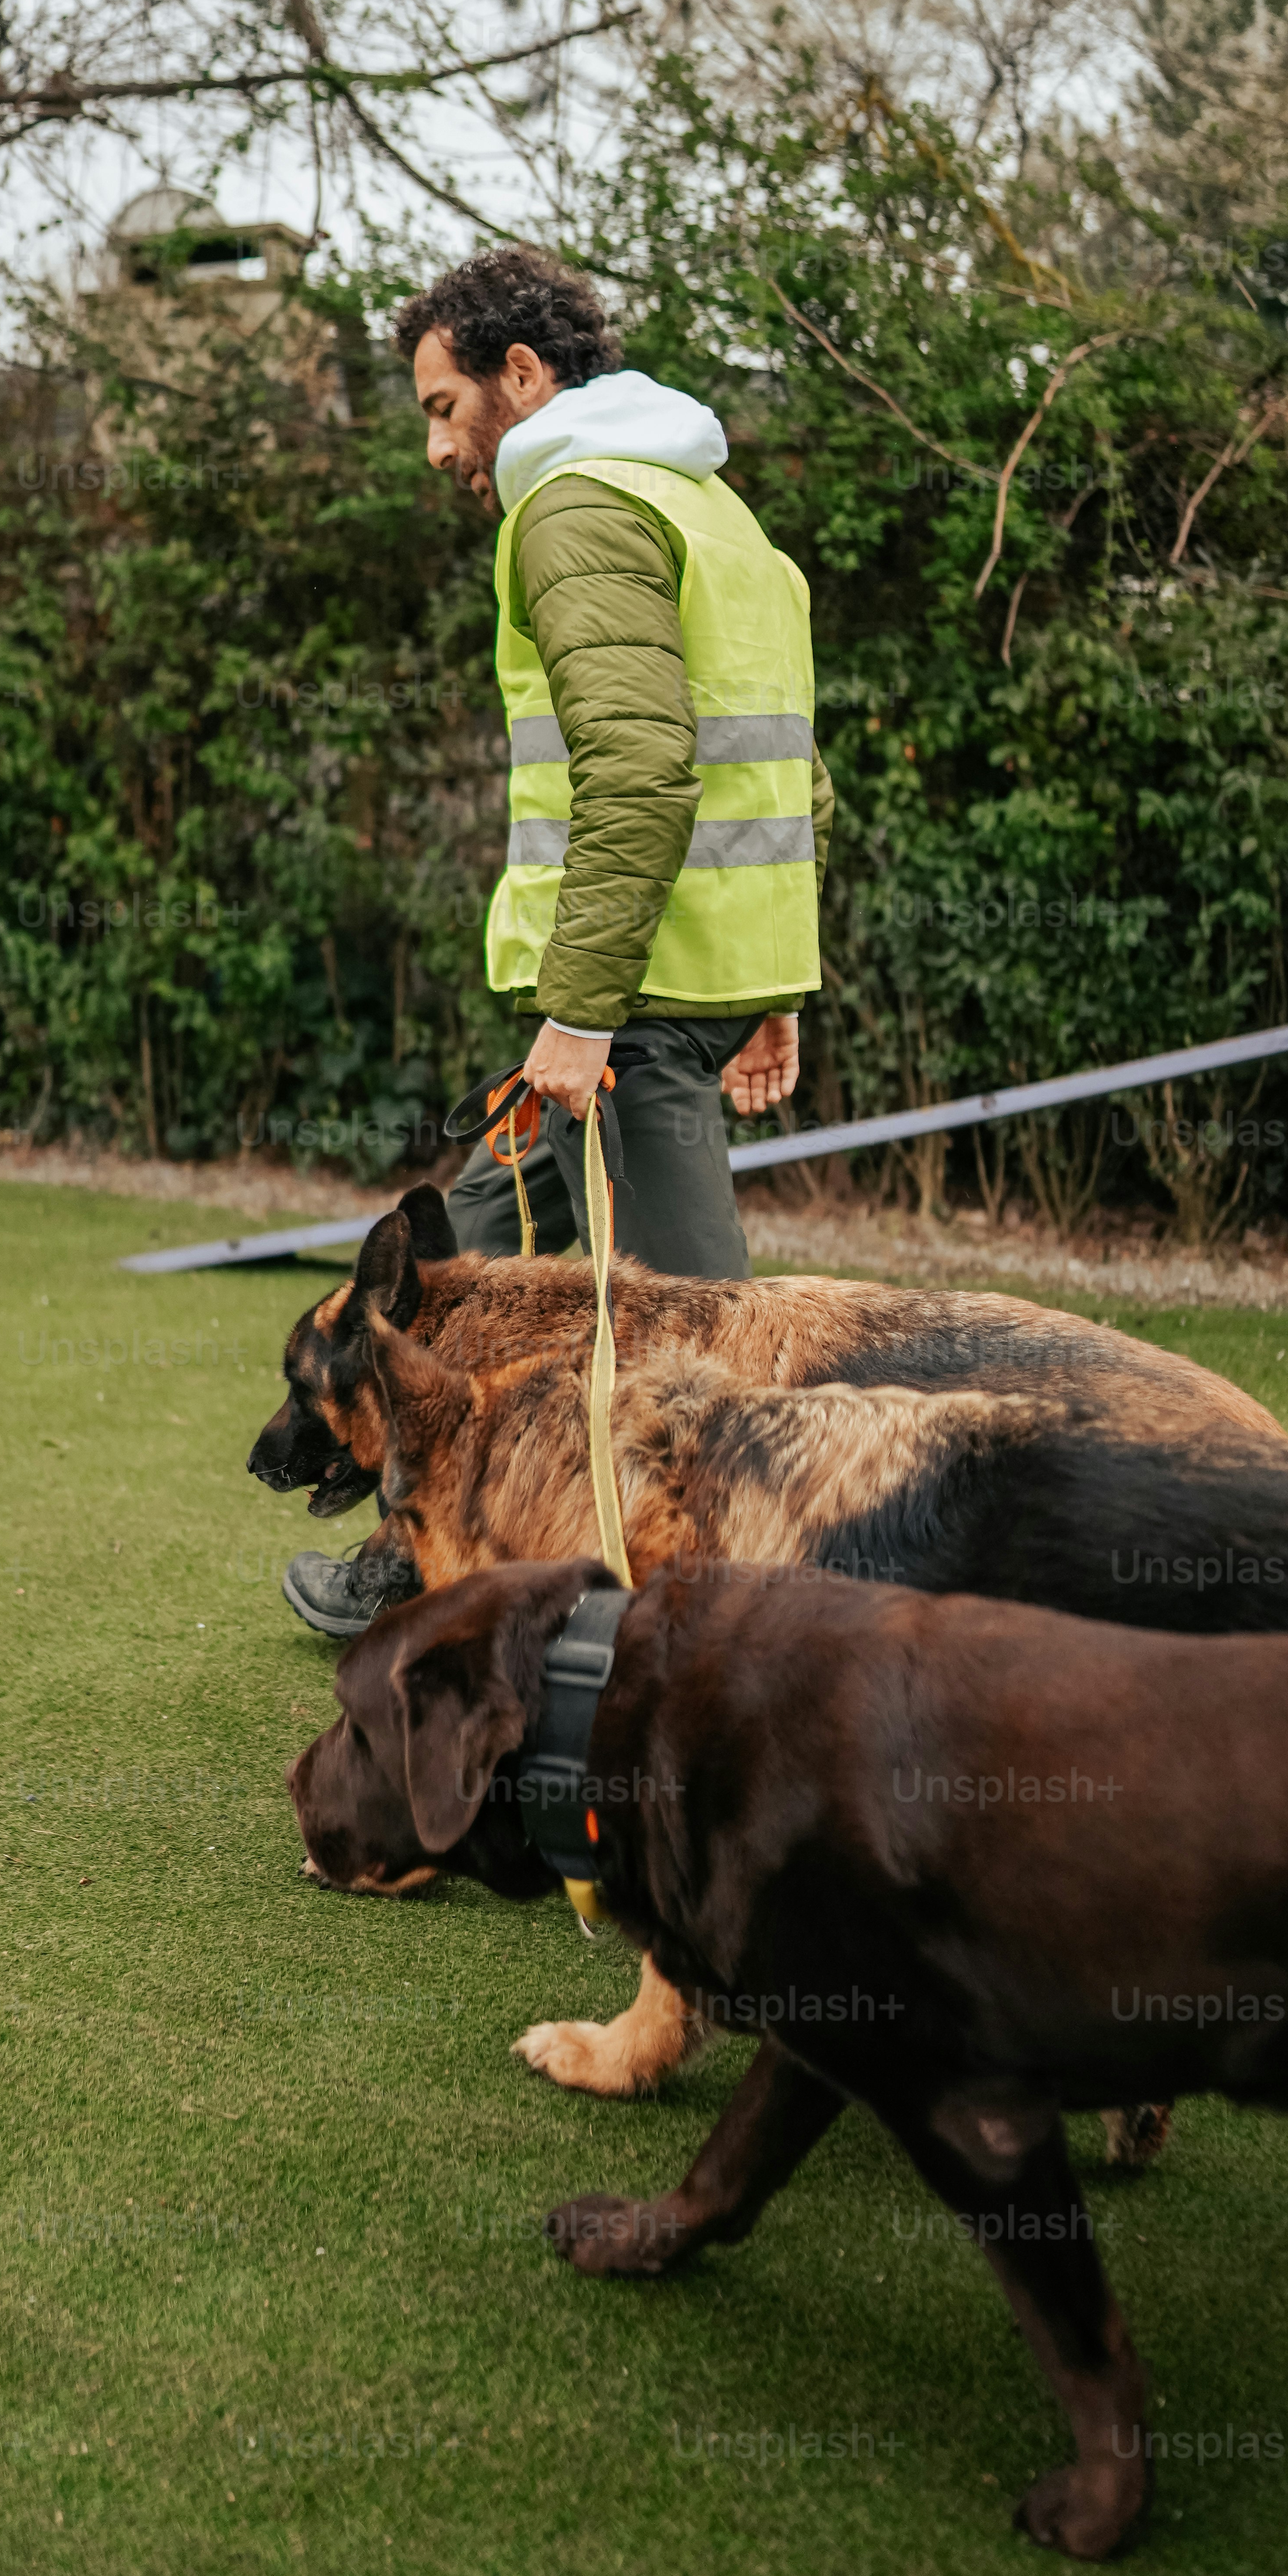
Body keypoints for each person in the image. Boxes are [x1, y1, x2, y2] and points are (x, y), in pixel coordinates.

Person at [280, 247, 834, 1636]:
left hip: (627, 1007)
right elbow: (791, 773)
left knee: (702, 1365)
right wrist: (765, 991)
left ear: (521, 378)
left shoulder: (573, 508)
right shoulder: (712, 509)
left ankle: (755, 1650)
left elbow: (646, 769)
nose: (434, 446)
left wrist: (587, 1014)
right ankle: (423, 1559)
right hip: (653, 988)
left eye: (442, 404)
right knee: (455, 1270)